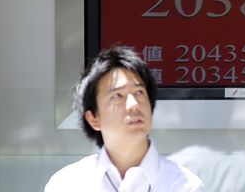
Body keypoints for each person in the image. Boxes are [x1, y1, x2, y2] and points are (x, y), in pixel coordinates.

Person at [45, 46, 206, 191]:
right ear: (93, 118)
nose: (133, 104)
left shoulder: (184, 186)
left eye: (139, 93)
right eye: (117, 96)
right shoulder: (67, 185)